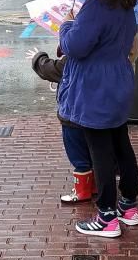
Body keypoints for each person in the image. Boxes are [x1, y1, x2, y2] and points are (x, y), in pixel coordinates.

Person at [58, 0, 138, 238]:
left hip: (95, 87)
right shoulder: (126, 4)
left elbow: (75, 47)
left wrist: (67, 25)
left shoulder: (96, 6)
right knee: (120, 143)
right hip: (118, 82)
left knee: (100, 150)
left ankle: (107, 216)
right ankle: (128, 206)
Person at [27, 46, 96, 203]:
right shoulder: (102, 50)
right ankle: (94, 186)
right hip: (94, 113)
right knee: (93, 151)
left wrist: (38, 56)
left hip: (72, 114)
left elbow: (51, 69)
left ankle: (82, 191)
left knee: (78, 155)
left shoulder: (74, 55)